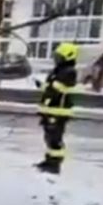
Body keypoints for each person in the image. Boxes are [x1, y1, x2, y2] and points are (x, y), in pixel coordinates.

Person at [35, 41, 79, 174]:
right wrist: (42, 85)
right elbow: (51, 88)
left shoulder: (69, 72)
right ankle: (49, 160)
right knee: (49, 138)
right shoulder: (58, 70)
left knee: (55, 139)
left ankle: (55, 164)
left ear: (68, 56)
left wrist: (49, 87)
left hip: (59, 111)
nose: (56, 59)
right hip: (51, 110)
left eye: (59, 56)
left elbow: (59, 88)